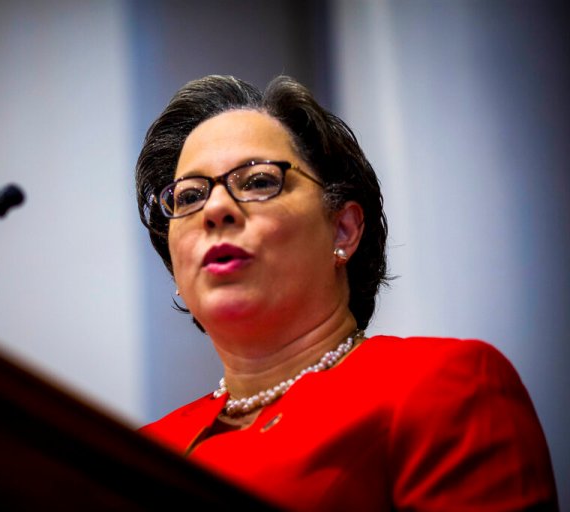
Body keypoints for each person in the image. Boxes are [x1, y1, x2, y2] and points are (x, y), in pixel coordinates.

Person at [135, 75, 558, 510]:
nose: (215, 208)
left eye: (258, 181)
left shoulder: (443, 387)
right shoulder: (137, 451)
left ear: (343, 229)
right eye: (189, 196)